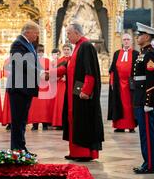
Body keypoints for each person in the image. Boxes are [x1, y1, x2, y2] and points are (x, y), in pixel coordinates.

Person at [56, 23, 104, 162]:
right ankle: (75, 152)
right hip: (74, 91)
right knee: (74, 121)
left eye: (69, 34)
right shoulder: (78, 47)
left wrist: (86, 90)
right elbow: (68, 67)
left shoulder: (86, 46)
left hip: (81, 92)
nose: (67, 37)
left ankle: (83, 152)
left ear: (77, 33)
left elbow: (90, 72)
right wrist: (51, 73)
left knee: (82, 121)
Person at [7, 21, 41, 153]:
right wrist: (41, 72)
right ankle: (16, 149)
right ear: (28, 31)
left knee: (22, 120)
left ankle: (21, 147)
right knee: (17, 121)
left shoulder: (28, 44)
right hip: (19, 88)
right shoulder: (18, 44)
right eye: (35, 33)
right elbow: (22, 63)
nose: (37, 36)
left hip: (25, 88)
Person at [132, 23, 154, 174]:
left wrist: (148, 102)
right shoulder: (143, 53)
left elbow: (151, 80)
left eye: (139, 35)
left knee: (148, 133)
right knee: (143, 132)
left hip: (145, 99)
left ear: (147, 37)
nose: (137, 37)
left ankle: (150, 165)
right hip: (139, 97)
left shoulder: (150, 54)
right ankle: (146, 162)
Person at [108, 33, 139, 133]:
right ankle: (119, 126)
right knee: (118, 103)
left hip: (130, 84)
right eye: (124, 39)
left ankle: (131, 126)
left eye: (128, 39)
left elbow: (138, 70)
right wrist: (112, 82)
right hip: (118, 84)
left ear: (131, 41)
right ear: (122, 41)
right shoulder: (117, 53)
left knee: (130, 105)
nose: (126, 41)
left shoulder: (136, 54)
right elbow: (112, 69)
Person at [28, 44, 53, 131]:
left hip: (44, 86)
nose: (40, 53)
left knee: (45, 106)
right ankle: (35, 124)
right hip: (35, 85)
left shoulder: (47, 61)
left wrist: (46, 73)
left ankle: (45, 124)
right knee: (35, 106)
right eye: (38, 52)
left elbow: (51, 71)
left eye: (42, 52)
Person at [51, 44, 72, 129]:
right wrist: (59, 76)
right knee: (60, 103)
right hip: (60, 85)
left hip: (70, 84)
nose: (66, 51)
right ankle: (60, 123)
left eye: (68, 49)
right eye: (65, 49)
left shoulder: (74, 59)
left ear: (71, 50)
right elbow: (55, 73)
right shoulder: (60, 61)